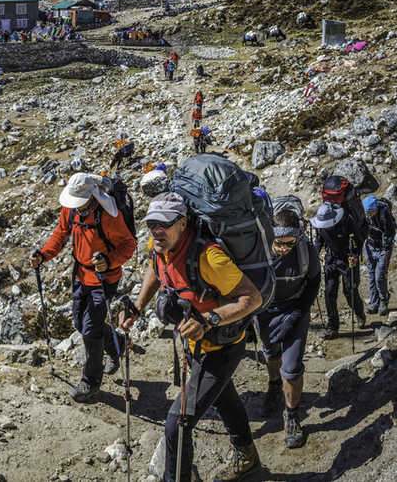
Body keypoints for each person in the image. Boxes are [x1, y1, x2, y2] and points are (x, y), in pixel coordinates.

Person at [119, 192, 263, 482]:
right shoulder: (158, 245)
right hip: (195, 342)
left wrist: (209, 320)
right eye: (151, 225)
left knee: (177, 424)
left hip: (222, 346)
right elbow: (155, 270)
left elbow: (253, 298)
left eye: (164, 224)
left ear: (183, 224)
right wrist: (138, 307)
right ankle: (248, 458)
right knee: (223, 396)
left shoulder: (210, 257)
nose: (156, 231)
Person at [32, 173, 136, 404]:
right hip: (80, 275)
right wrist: (43, 255)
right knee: (80, 323)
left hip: (103, 280)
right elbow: (60, 235)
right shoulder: (71, 210)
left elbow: (129, 245)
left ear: (91, 196)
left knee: (90, 331)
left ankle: (90, 383)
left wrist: (109, 261)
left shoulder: (109, 216)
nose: (76, 207)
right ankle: (117, 345)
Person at [255, 198, 320, 449]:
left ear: (298, 238)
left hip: (295, 309)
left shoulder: (306, 251)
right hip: (265, 309)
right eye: (278, 243)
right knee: (271, 353)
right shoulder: (258, 249)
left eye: (289, 243)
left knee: (291, 368)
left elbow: (313, 283)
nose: (283, 248)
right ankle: (273, 386)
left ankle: (292, 416)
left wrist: (297, 314)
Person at [312, 199, 367, 340]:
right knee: (329, 292)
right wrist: (314, 255)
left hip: (347, 258)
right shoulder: (320, 226)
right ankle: (333, 327)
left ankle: (360, 314)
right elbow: (319, 241)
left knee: (350, 291)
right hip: (331, 259)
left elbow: (358, 240)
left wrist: (354, 255)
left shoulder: (347, 221)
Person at [362, 195, 395, 314]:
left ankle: (384, 300)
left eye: (370, 212)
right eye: (366, 212)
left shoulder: (384, 214)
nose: (367, 215)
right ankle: (374, 302)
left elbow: (391, 232)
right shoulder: (365, 214)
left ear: (375, 209)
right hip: (370, 246)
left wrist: (385, 246)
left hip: (382, 249)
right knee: (371, 276)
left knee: (379, 276)